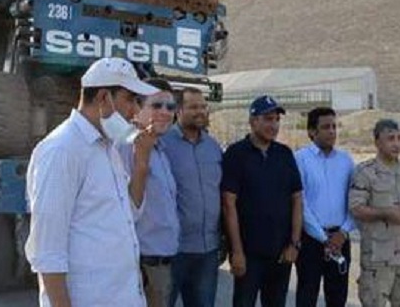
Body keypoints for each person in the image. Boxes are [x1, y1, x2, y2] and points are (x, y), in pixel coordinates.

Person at [25, 57, 159, 307]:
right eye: (130, 100)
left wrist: (141, 162)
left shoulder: (108, 148)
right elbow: (47, 252)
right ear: (103, 97)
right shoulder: (61, 150)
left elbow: (128, 214)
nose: (135, 111)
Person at [221, 95, 304, 307]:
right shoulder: (236, 154)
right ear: (253, 121)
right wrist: (236, 251)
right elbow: (229, 204)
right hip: (249, 254)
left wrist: (294, 243)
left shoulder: (284, 154)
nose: (273, 125)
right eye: (268, 119)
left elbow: (297, 199)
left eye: (277, 119)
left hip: (281, 254)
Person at [349, 119, 400, 307]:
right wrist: (385, 213)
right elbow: (356, 208)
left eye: (398, 138)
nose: (396, 144)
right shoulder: (365, 173)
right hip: (378, 258)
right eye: (390, 139)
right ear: (377, 142)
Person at [119, 78, 180, 307]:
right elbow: (123, 206)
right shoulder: (127, 147)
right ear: (137, 108)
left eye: (170, 107)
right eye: (156, 105)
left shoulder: (160, 150)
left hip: (161, 262)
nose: (165, 112)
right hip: (141, 265)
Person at [163, 87, 224, 307]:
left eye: (203, 106)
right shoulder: (163, 144)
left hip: (208, 251)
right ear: (178, 110)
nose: (200, 111)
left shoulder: (213, 147)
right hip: (173, 251)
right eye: (193, 107)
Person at [295, 107, 355, 307]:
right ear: (312, 132)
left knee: (337, 298)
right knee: (307, 296)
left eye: (334, 127)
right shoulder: (301, 159)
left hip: (340, 239)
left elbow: (355, 200)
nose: (332, 131)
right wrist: (323, 238)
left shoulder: (346, 161)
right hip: (311, 241)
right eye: (326, 127)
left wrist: (343, 232)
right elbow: (300, 202)